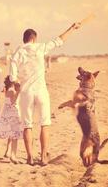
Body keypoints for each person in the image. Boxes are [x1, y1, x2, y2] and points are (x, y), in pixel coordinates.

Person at [9, 22, 81, 166]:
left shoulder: (17, 52)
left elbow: (12, 77)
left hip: (26, 92)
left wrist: (19, 82)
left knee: (27, 125)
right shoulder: (40, 47)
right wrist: (72, 28)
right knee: (44, 124)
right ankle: (43, 156)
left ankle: (29, 157)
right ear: (34, 38)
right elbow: (59, 40)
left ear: (24, 39)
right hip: (41, 91)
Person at [0, 76, 23, 164]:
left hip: (6, 113)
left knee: (6, 130)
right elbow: (13, 102)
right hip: (13, 113)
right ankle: (13, 155)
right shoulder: (12, 90)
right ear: (13, 81)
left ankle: (6, 150)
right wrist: (19, 91)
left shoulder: (8, 89)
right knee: (15, 134)